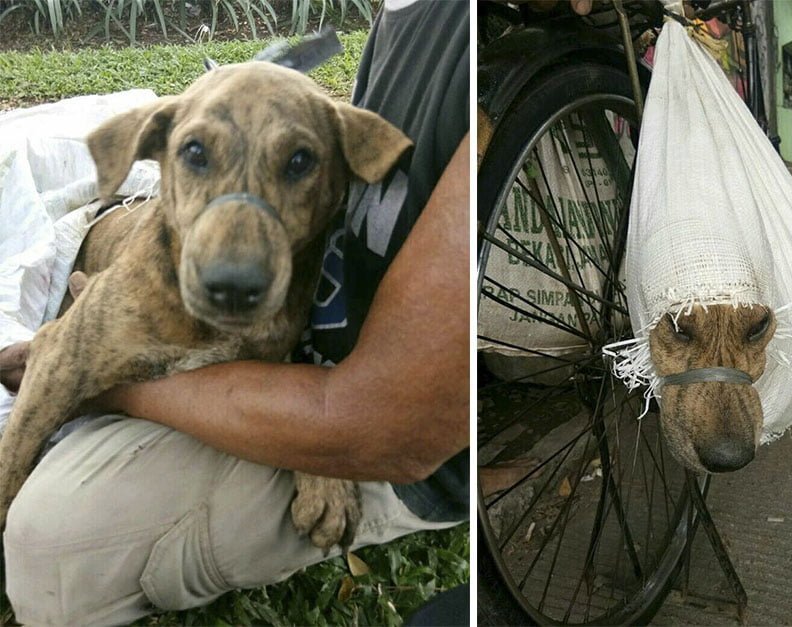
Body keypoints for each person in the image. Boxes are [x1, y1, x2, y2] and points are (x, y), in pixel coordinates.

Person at [1, 1, 470, 624]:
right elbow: (56, 356)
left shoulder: (461, 47)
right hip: (104, 254)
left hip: (359, 420)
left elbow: (385, 425)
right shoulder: (397, 21)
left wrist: (112, 386)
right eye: (197, 154)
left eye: (297, 162)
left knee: (53, 548)